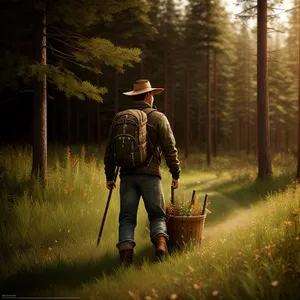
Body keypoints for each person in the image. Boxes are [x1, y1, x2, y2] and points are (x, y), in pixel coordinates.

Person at [104, 79, 181, 267]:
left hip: (127, 176)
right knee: (157, 215)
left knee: (127, 217)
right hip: (151, 176)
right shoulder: (158, 118)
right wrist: (175, 172)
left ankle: (125, 257)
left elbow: (110, 149)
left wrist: (109, 176)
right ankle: (161, 245)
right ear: (148, 96)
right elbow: (170, 148)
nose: (153, 98)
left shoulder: (120, 118)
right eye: (152, 95)